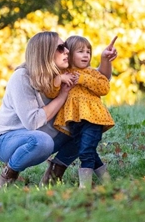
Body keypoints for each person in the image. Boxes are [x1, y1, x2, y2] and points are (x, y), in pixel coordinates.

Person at [0, 31, 117, 188]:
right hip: (7, 140)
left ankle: (56, 171)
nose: (67, 51)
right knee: (42, 141)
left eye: (66, 47)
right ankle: (8, 174)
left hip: (46, 137)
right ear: (46, 52)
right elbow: (33, 122)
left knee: (82, 128)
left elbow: (96, 79)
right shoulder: (21, 78)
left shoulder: (62, 72)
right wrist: (62, 96)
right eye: (61, 48)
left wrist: (105, 59)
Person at [43, 35, 117, 187]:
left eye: (88, 52)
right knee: (88, 150)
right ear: (69, 54)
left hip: (94, 119)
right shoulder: (64, 73)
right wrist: (60, 79)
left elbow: (104, 88)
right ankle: (108, 182)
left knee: (85, 152)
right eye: (80, 51)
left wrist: (82, 79)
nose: (85, 55)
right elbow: (50, 92)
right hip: (74, 121)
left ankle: (85, 187)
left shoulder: (91, 73)